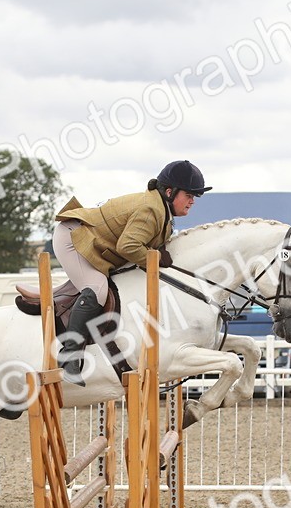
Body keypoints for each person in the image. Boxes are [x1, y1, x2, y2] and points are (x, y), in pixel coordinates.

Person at [51, 159, 211, 384]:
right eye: (189, 194)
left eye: (195, 196)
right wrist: (153, 259)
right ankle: (69, 356)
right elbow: (127, 247)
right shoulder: (151, 209)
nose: (193, 201)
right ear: (169, 191)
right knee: (96, 288)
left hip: (95, 243)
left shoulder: (163, 213)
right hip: (72, 238)